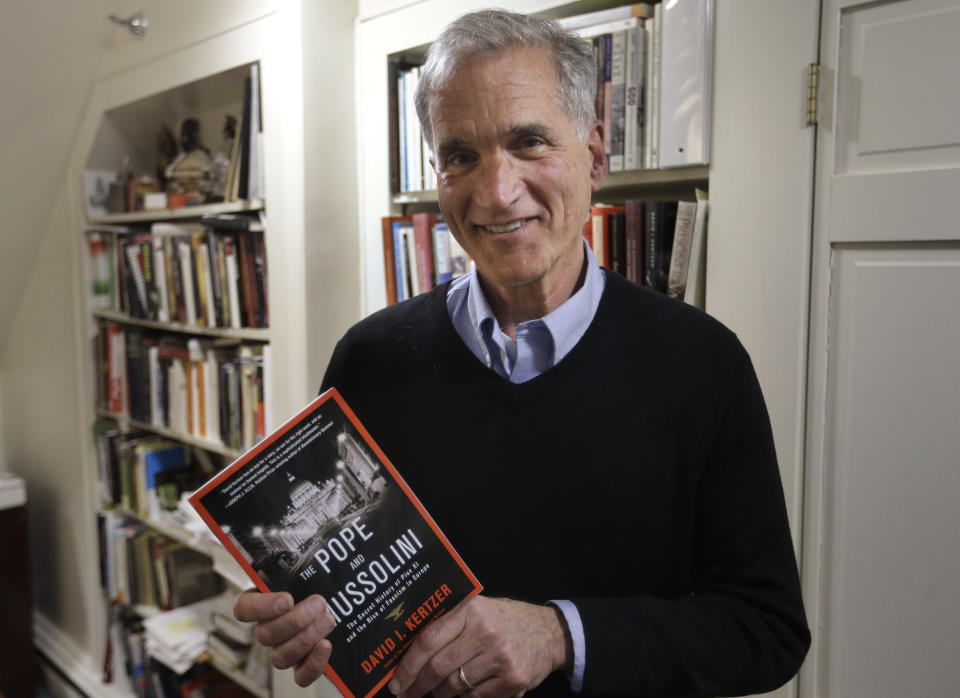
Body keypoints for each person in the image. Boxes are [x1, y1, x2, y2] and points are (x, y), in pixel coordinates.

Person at [234, 9, 810, 696]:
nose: (497, 193)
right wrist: (303, 615)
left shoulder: (704, 366)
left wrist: (562, 634)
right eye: (460, 156)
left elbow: (766, 632)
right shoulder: (370, 359)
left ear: (595, 155)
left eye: (529, 142)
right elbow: (342, 582)